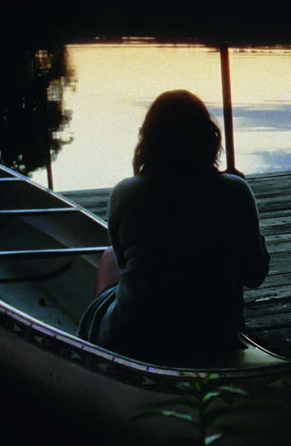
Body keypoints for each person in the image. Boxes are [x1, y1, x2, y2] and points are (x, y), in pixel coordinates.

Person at [80, 90, 269, 363]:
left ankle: (96, 352)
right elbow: (255, 274)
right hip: (214, 335)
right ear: (208, 138)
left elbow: (123, 260)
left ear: (149, 140)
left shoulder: (126, 192)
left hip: (138, 335)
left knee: (110, 256)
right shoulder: (235, 191)